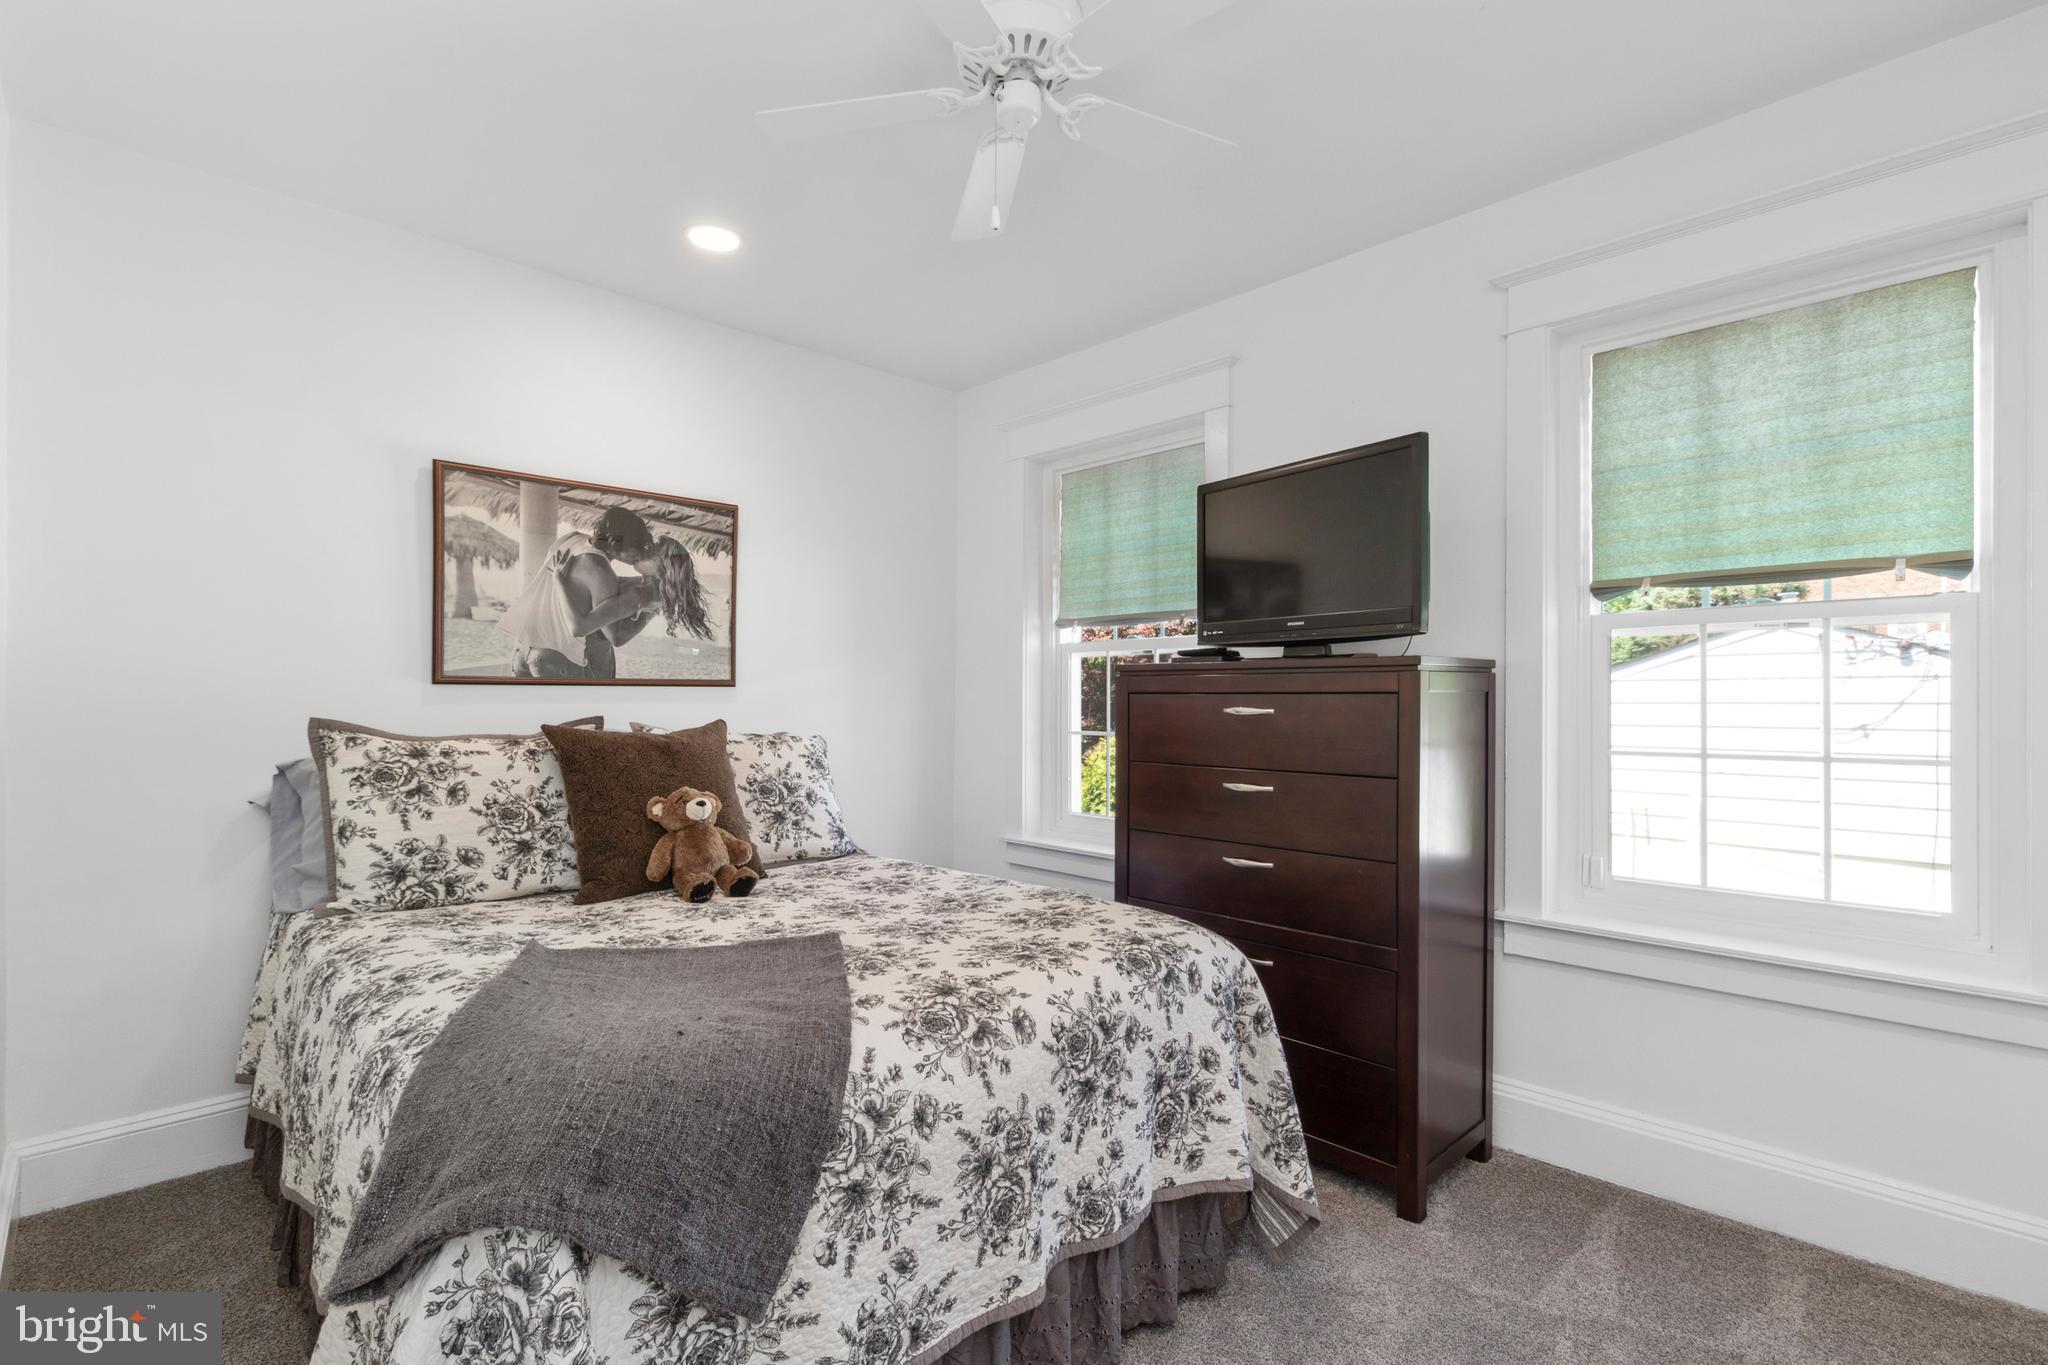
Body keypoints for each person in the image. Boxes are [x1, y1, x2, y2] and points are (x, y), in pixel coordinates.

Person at [501, 507, 659, 679]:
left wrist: (639, 581)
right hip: (558, 657)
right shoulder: (600, 569)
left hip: (524, 650)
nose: (640, 554)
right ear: (616, 546)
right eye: (635, 549)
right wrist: (653, 609)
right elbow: (615, 635)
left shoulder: (571, 539)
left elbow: (585, 585)